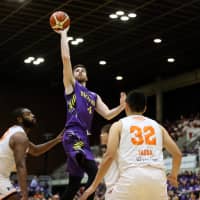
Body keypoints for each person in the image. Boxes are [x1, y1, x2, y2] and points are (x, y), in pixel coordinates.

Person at [56, 27, 126, 200]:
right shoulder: (72, 87)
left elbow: (108, 115)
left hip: (83, 139)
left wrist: (121, 107)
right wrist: (63, 33)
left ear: (87, 76)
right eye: (76, 70)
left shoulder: (94, 96)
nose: (79, 71)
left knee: (75, 182)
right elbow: (66, 58)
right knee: (95, 173)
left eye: (82, 70)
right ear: (71, 76)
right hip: (73, 135)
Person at [80, 90, 182, 200]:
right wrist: (173, 175)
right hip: (157, 178)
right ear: (145, 108)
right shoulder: (158, 127)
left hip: (132, 175)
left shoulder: (118, 125)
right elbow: (177, 154)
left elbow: (109, 155)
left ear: (126, 106)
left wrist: (93, 187)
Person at [0, 107, 63, 200]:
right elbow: (20, 166)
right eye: (28, 114)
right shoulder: (20, 137)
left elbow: (35, 150)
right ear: (20, 119)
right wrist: (25, 194)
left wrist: (57, 140)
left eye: (32, 114)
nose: (32, 116)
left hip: (3, 176)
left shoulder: (16, 132)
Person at [99, 124, 119, 200]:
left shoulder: (118, 150)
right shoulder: (106, 153)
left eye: (103, 133)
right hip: (109, 189)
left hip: (117, 189)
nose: (101, 136)